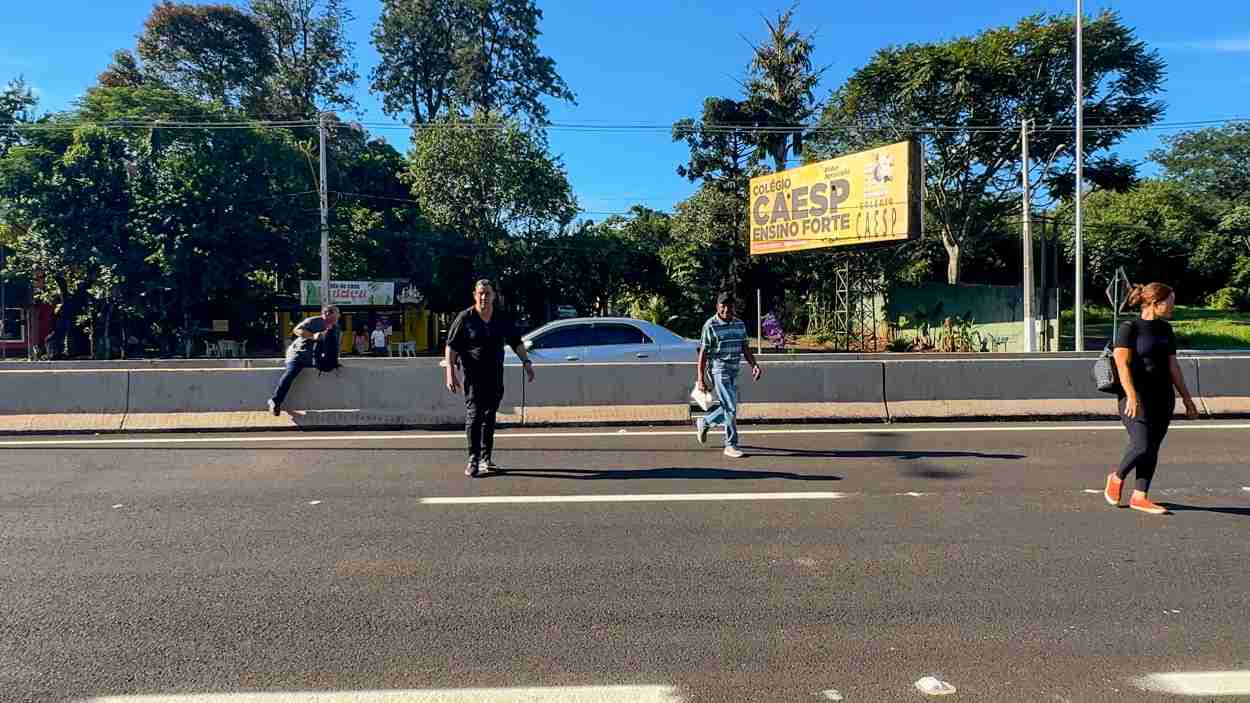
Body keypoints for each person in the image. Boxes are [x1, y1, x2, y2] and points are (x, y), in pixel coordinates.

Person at [1103, 283, 1199, 514]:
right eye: (1170, 302)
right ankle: (1116, 477)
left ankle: (1140, 496)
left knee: (1152, 448)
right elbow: (1121, 364)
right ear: (1155, 303)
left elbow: (1173, 366)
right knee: (1141, 444)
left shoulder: (1166, 329)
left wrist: (1187, 398)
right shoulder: (1130, 327)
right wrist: (1132, 396)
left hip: (1163, 397)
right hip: (1136, 397)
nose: (1173, 307)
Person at [445, 279, 535, 477]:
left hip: (494, 374)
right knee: (474, 415)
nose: (484, 297)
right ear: (475, 295)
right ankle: (473, 459)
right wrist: (450, 372)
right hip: (472, 376)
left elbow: (515, 341)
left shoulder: (501, 317)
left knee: (489, 416)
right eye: (480, 293)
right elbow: (451, 346)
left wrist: (526, 363)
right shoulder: (465, 317)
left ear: (494, 295)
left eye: (487, 293)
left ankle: (487, 458)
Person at [694, 291, 762, 458]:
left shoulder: (739, 324)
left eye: (730, 306)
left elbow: (744, 347)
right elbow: (702, 354)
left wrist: (754, 365)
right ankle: (730, 445)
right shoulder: (710, 326)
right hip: (718, 369)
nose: (726, 309)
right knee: (731, 406)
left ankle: (705, 422)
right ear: (717, 307)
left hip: (733, 369)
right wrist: (700, 378)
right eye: (723, 306)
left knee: (727, 405)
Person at [267, 305, 340, 416]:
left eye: (337, 316)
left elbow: (334, 346)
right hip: (298, 354)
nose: (336, 318)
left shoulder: (336, 327)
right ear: (325, 314)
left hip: (314, 357)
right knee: (291, 373)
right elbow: (296, 330)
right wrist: (313, 336)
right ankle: (275, 401)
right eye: (333, 315)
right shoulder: (313, 321)